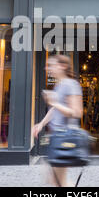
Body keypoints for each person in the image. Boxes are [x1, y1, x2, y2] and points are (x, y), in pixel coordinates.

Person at [32, 54, 83, 187]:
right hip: (57, 137)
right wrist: (41, 124)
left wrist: (54, 102)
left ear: (63, 66)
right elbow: (54, 110)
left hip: (64, 139)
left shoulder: (72, 84)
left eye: (51, 65)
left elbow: (77, 113)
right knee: (56, 180)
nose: (46, 68)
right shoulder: (59, 85)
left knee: (59, 181)